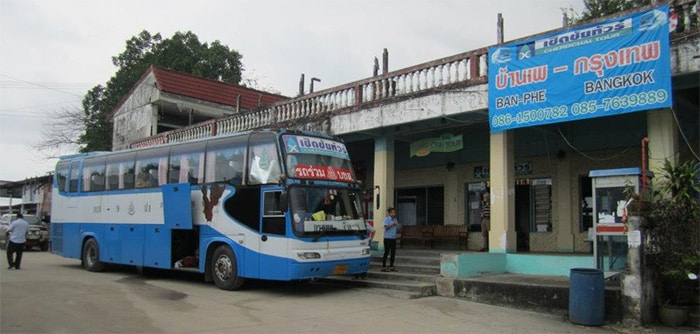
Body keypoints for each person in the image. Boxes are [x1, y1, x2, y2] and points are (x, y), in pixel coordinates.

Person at [381, 207, 399, 272]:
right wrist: (392, 224)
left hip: (393, 238)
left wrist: (397, 225)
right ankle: (384, 266)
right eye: (392, 212)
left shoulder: (395, 220)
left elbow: (397, 228)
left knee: (393, 252)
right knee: (386, 252)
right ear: (389, 213)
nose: (393, 214)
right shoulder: (386, 219)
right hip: (387, 238)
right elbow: (386, 227)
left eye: (394, 212)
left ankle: (391, 266)